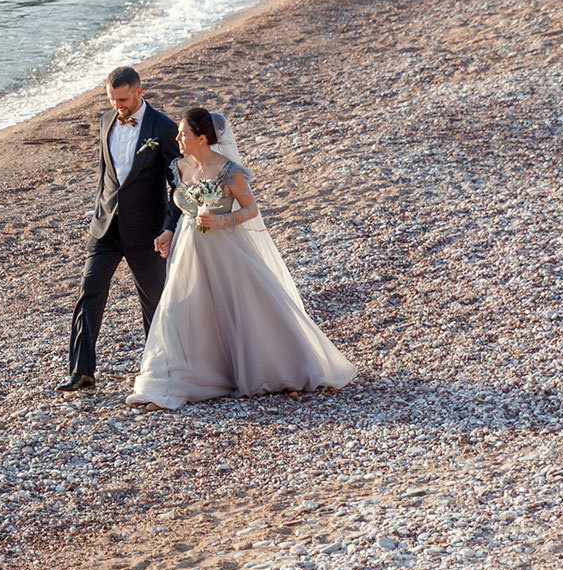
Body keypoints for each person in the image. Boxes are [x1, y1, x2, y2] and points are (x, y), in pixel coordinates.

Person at [127, 107, 356, 409]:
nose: (177, 137)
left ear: (202, 138)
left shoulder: (230, 171)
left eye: (184, 133)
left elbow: (251, 210)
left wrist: (220, 221)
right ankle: (168, 381)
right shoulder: (179, 167)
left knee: (238, 307)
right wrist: (168, 232)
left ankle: (269, 366)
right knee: (179, 308)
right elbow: (178, 207)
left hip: (226, 250)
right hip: (187, 248)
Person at [58, 66, 182, 392]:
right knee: (89, 293)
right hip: (105, 229)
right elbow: (105, 175)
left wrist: (169, 228)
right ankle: (81, 372)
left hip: (147, 233)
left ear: (140, 92)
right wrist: (98, 214)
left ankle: (160, 370)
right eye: (112, 100)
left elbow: (179, 187)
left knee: (153, 302)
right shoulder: (105, 122)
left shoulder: (165, 128)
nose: (118, 106)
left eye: (123, 99)